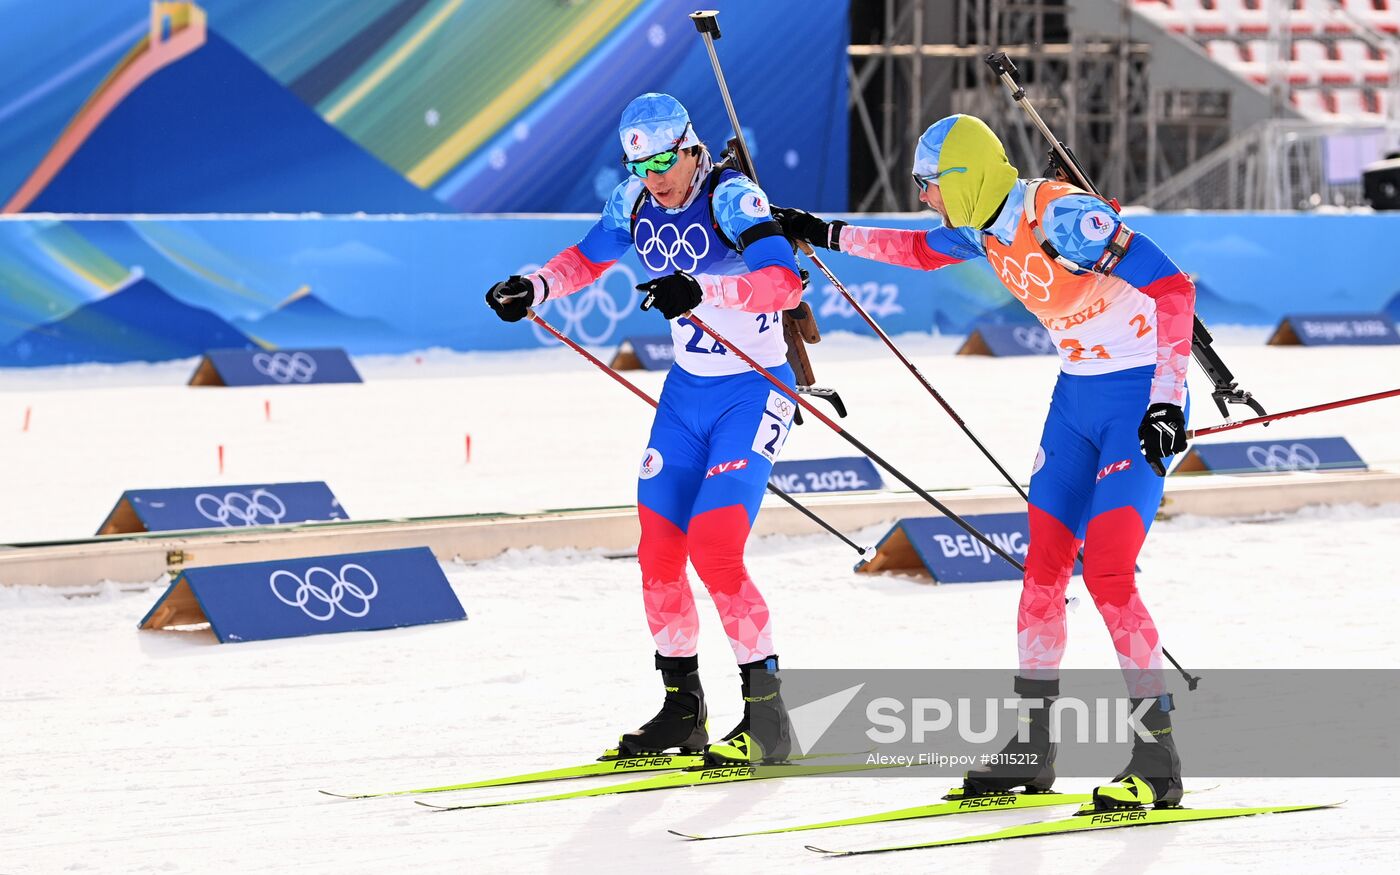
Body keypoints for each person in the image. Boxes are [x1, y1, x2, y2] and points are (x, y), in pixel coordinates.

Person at [774, 114, 1193, 809]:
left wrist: (1167, 401)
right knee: (1042, 575)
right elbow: (915, 251)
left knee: (1112, 574)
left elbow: (1173, 287)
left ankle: (1158, 756)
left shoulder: (1059, 215)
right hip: (1076, 403)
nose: (924, 198)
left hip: (1137, 401)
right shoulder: (984, 227)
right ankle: (1031, 747)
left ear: (964, 179)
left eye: (929, 185)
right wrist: (822, 232)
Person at [484, 93, 805, 765]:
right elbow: (587, 257)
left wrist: (703, 289)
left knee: (715, 550)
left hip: (754, 389)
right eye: (640, 163)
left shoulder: (730, 196)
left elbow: (784, 284)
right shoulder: (632, 201)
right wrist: (534, 286)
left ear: (690, 147)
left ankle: (772, 721)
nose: (655, 175)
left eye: (665, 159)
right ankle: (682, 710)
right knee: (659, 554)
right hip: (686, 393)